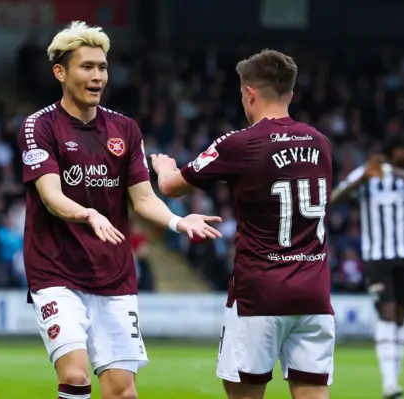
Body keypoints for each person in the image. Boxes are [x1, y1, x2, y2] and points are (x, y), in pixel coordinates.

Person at [17, 21, 222, 399]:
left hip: (113, 274)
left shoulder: (125, 129)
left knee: (122, 391)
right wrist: (88, 214)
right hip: (56, 271)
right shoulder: (39, 126)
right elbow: (50, 195)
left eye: (103, 67)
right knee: (76, 377)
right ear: (60, 72)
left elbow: (143, 200)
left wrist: (178, 222)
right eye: (87, 67)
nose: (98, 76)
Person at [152, 49, 334, 399]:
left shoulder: (241, 143)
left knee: (245, 393)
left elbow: (171, 188)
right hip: (314, 292)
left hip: (260, 293)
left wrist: (163, 167)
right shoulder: (321, 143)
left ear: (249, 92)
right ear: (290, 94)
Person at [330, 135, 404, 399]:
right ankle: (389, 383)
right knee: (386, 313)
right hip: (377, 257)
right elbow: (334, 198)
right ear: (395, 150)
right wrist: (364, 177)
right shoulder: (367, 172)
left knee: (400, 316)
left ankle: (393, 379)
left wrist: (388, 169)